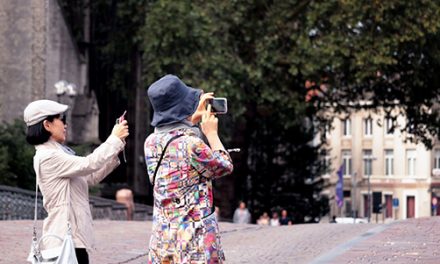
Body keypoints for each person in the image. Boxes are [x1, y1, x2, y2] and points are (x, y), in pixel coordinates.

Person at [24, 99, 129, 264]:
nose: (66, 125)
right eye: (61, 120)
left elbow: (90, 177)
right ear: (47, 125)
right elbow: (89, 163)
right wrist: (113, 139)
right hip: (64, 240)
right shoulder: (48, 157)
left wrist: (117, 146)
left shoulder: (60, 153)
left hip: (74, 238)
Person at [144, 75, 234, 263]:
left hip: (163, 241)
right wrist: (211, 134)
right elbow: (225, 166)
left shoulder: (150, 143)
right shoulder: (192, 145)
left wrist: (190, 119)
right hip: (194, 243)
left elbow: (172, 137)